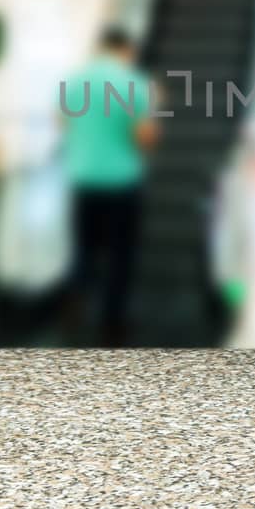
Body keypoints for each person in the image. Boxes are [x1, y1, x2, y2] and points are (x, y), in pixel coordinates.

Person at [58, 26, 160, 346]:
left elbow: (62, 123)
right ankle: (112, 324)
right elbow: (144, 137)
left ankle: (74, 306)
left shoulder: (73, 82)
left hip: (82, 179)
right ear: (126, 51)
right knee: (120, 256)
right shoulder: (136, 85)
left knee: (84, 250)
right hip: (121, 182)